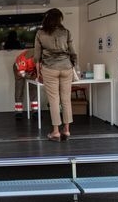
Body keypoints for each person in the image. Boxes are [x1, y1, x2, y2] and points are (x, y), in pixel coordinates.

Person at [34, 8, 77, 142]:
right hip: (66, 67)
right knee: (66, 99)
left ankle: (56, 132)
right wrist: (72, 65)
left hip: (50, 68)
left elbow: (37, 56)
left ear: (46, 19)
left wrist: (37, 72)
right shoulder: (66, 32)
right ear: (60, 19)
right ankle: (67, 130)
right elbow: (73, 52)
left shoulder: (40, 33)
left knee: (54, 100)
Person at [13, 49, 38, 118]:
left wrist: (37, 77)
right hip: (19, 69)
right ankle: (18, 112)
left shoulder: (41, 56)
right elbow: (21, 73)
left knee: (34, 87)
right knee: (19, 89)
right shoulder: (24, 58)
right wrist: (32, 77)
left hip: (30, 69)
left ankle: (35, 111)